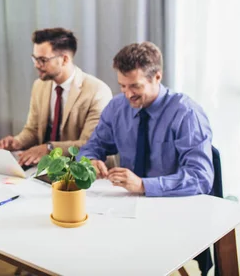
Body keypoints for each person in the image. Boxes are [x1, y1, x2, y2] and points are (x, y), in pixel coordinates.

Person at [78, 42, 214, 196]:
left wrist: (143, 185)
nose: (128, 94)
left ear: (157, 77)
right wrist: (90, 160)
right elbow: (94, 146)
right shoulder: (117, 107)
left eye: (135, 86)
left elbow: (201, 177)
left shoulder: (187, 113)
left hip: (174, 203)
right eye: (123, 86)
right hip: (128, 200)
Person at [0, 28, 112, 166]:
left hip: (81, 169)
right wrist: (17, 142)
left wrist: (49, 148)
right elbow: (33, 129)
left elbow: (90, 144)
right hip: (46, 168)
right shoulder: (39, 85)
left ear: (64, 59)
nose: (36, 65)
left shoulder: (97, 91)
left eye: (43, 60)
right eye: (34, 58)